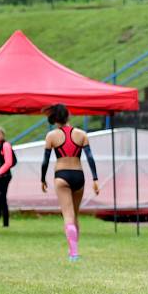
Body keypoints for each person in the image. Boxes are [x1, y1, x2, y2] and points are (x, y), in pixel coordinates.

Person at [41, 104, 100, 261]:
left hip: (61, 175)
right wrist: (95, 179)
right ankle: (73, 249)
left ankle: (74, 253)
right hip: (79, 175)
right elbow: (90, 158)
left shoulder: (51, 136)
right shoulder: (82, 134)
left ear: (55, 119)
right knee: (75, 215)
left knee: (67, 215)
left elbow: (45, 161)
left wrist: (42, 179)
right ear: (68, 116)